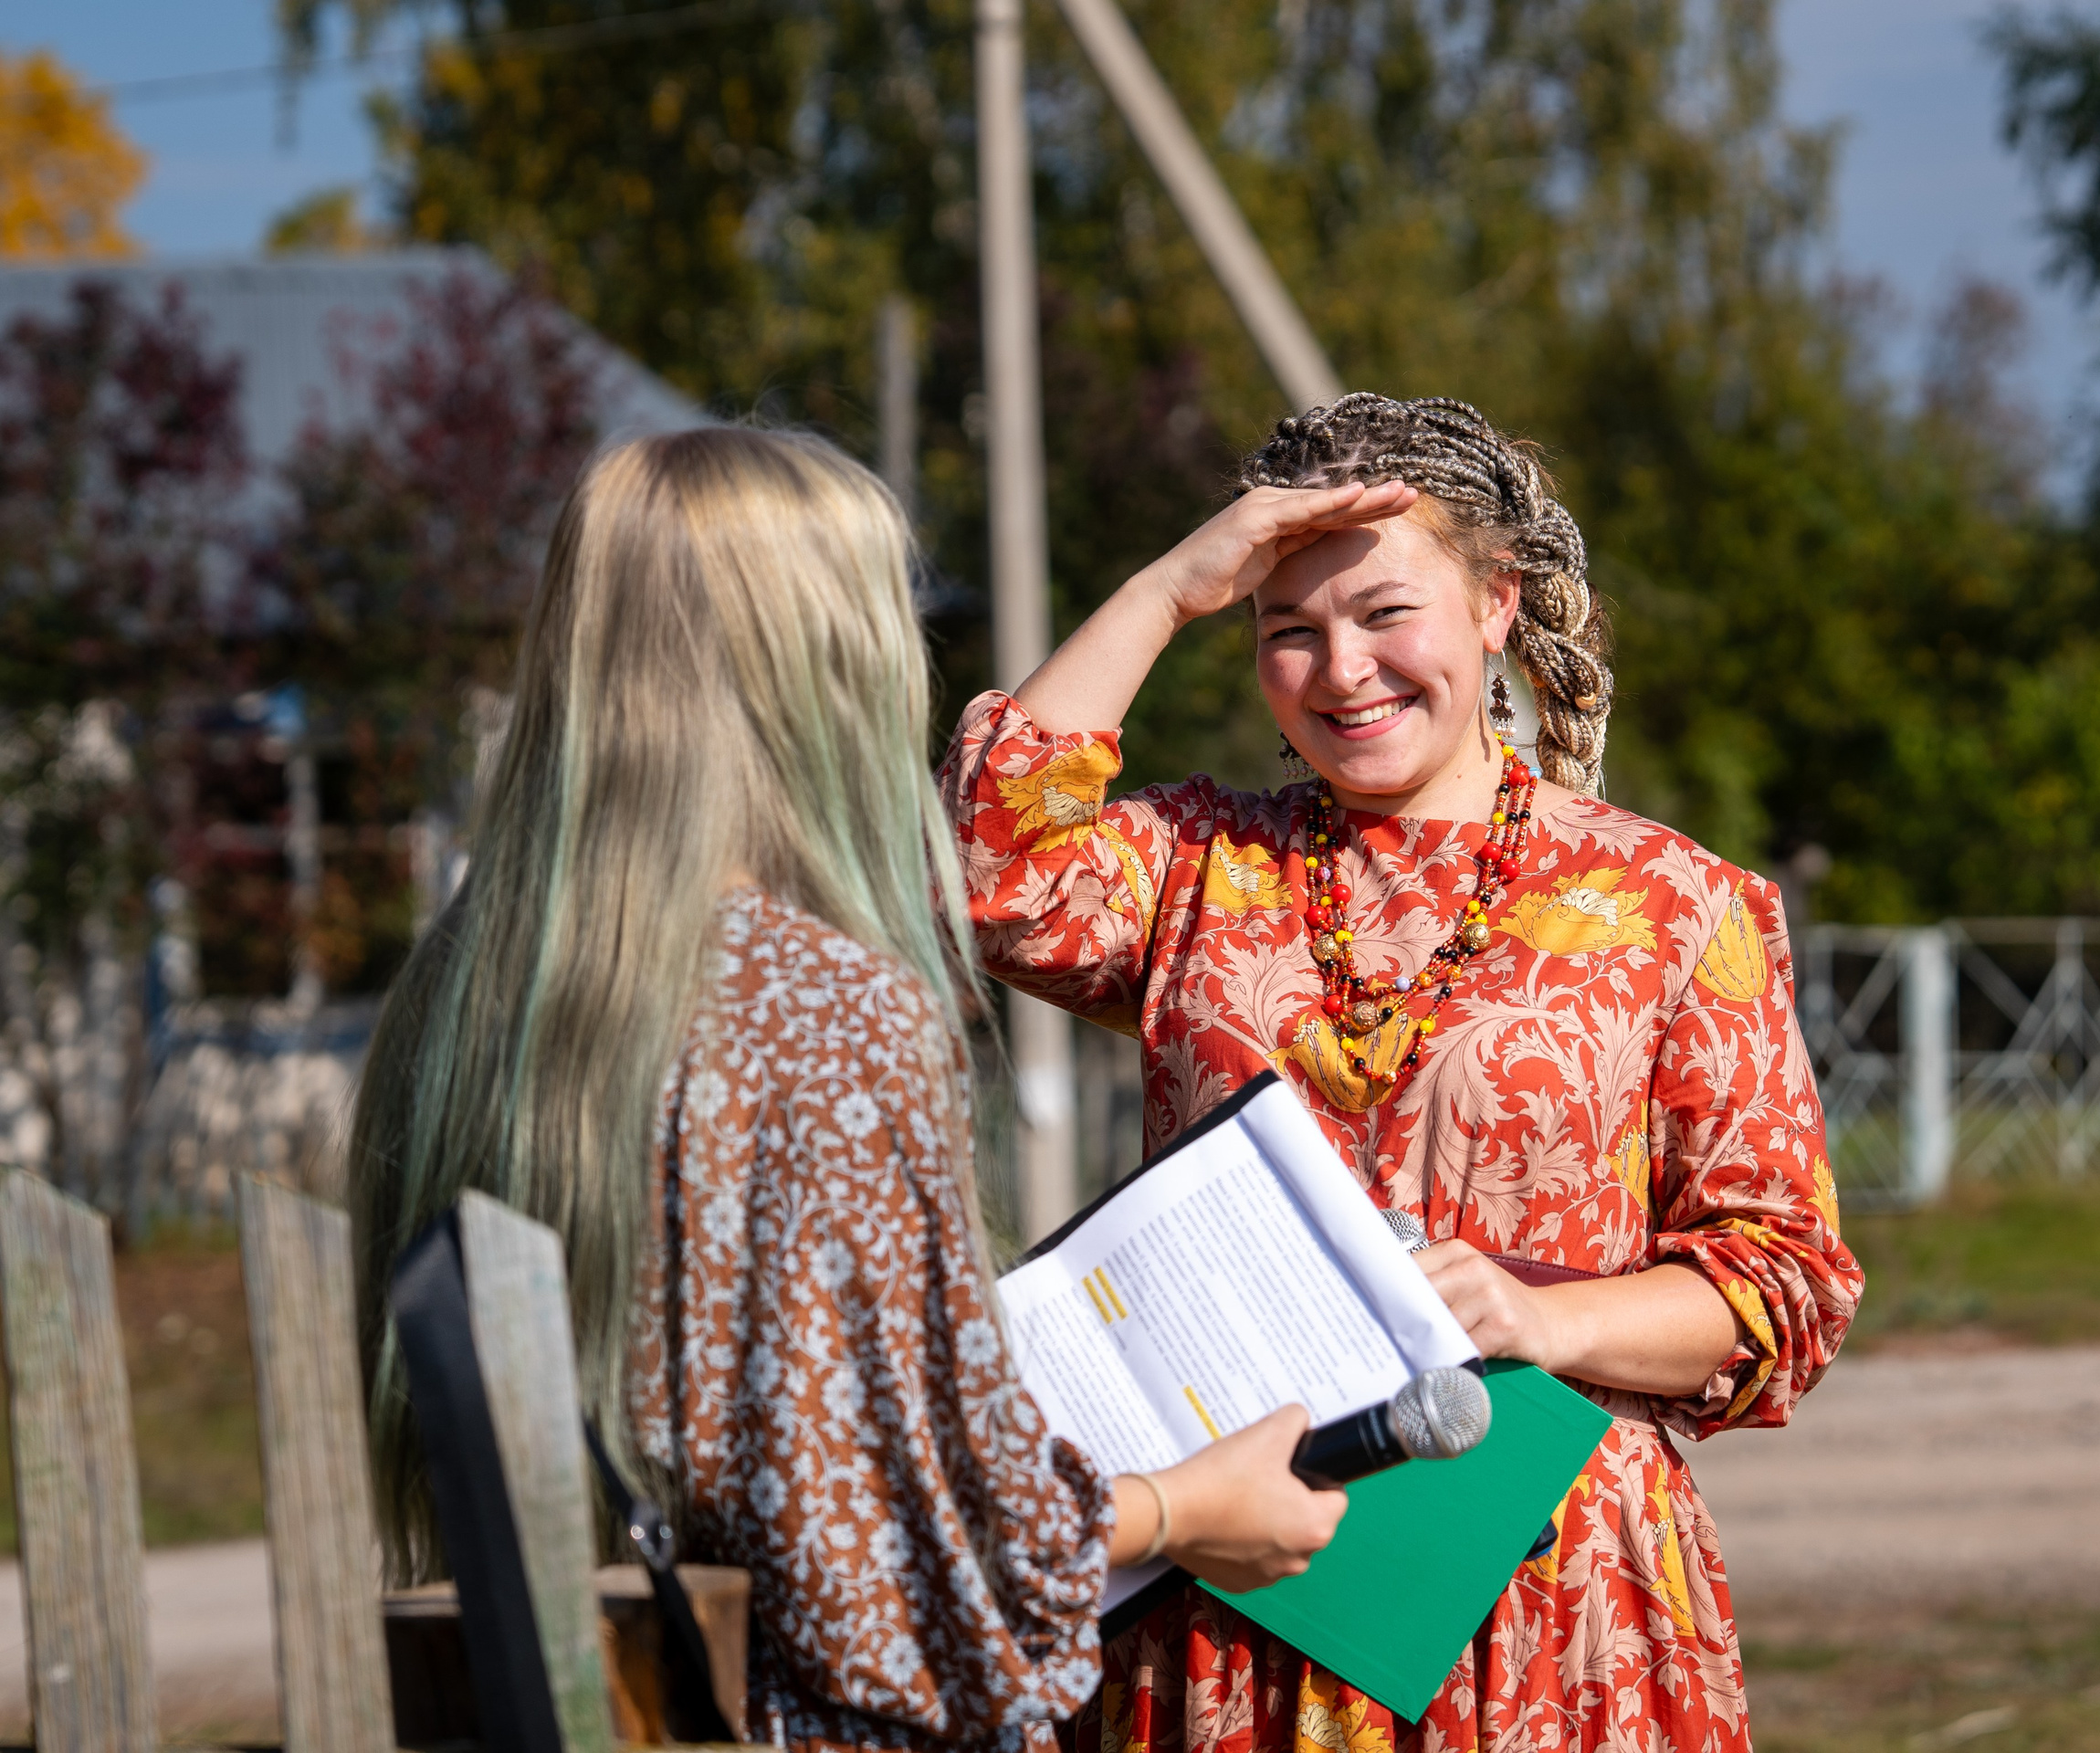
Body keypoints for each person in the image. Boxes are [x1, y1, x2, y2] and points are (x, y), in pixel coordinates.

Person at [344, 426, 1349, 1752]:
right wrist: (1184, 1509)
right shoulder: (815, 1009)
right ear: (828, 665)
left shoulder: (468, 989)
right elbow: (885, 1563)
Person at [941, 394, 1864, 1753]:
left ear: (1495, 606)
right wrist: (1168, 588)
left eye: (1385, 615)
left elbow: (1783, 1284)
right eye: (1288, 630)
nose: (1341, 670)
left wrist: (1554, 1319)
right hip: (1242, 1584)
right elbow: (991, 866)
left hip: (1548, 1604)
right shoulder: (1198, 868)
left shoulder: (1674, 902)